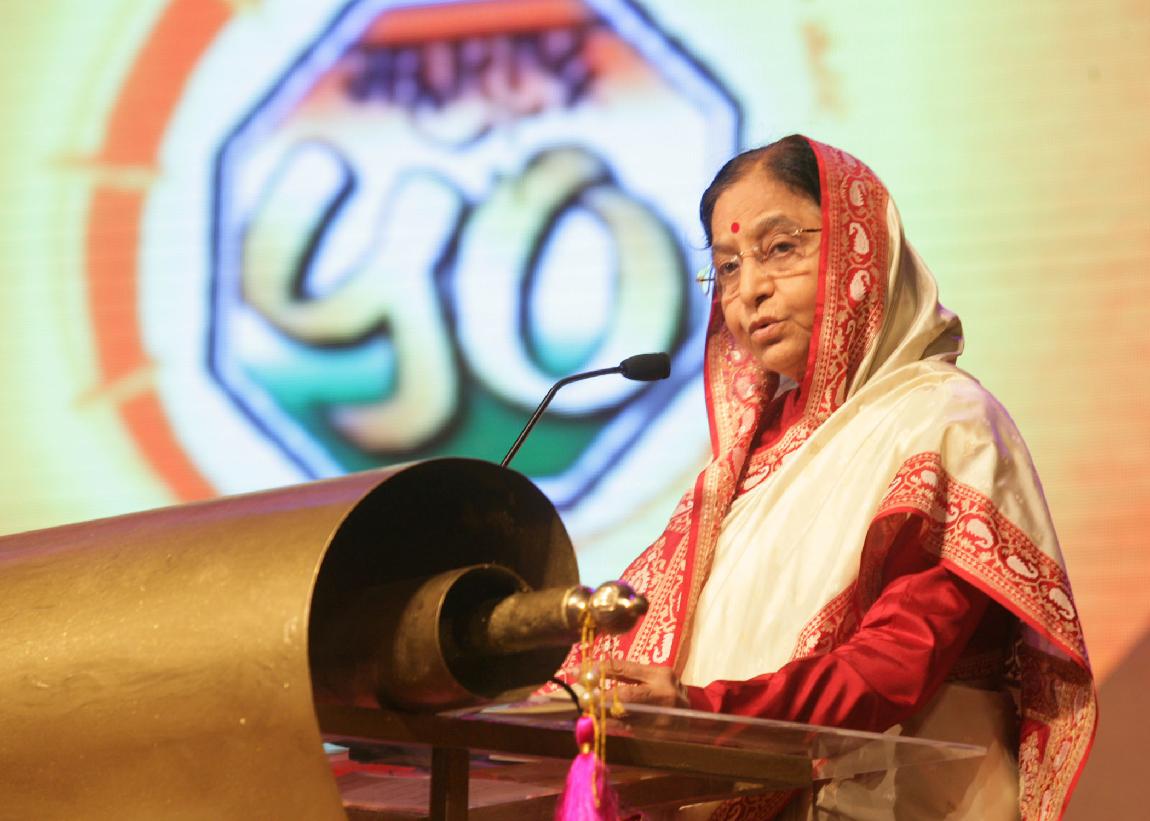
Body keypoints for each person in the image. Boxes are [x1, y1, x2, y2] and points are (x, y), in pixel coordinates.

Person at [553, 136, 1095, 820]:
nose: (750, 290)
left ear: (856, 249)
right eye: (727, 266)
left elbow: (894, 664)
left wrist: (702, 712)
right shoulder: (748, 464)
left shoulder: (944, 424)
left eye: (781, 248)